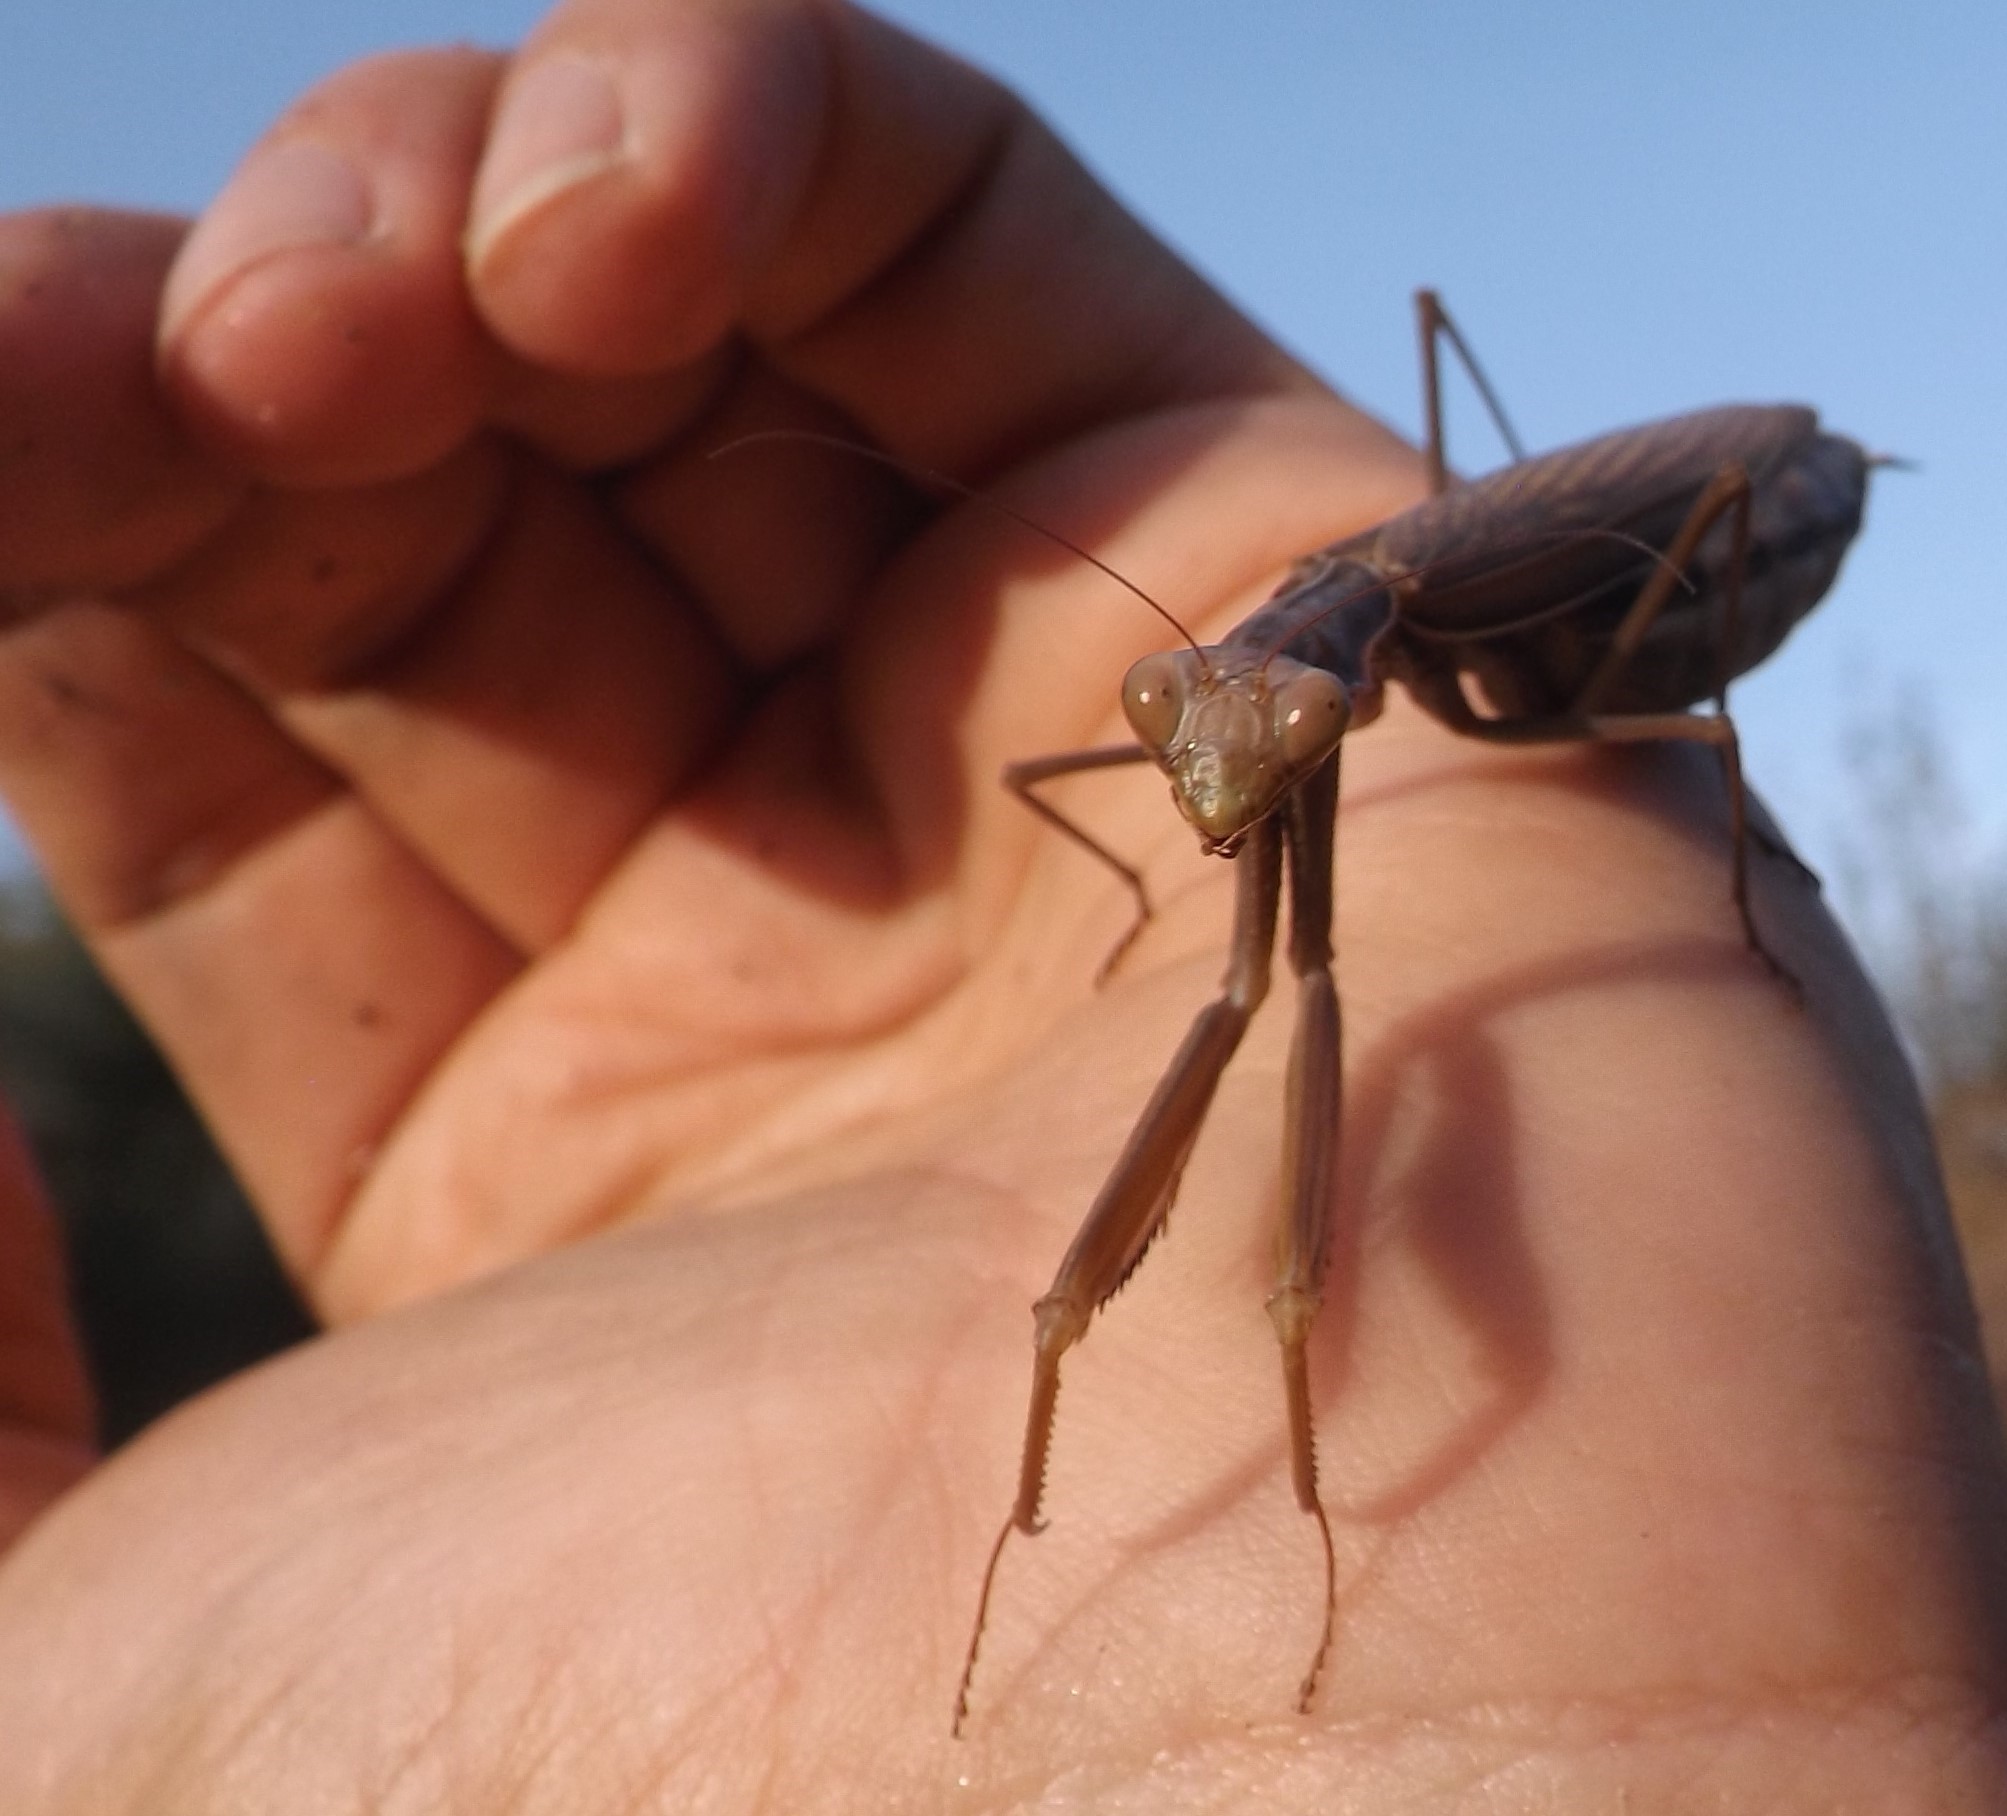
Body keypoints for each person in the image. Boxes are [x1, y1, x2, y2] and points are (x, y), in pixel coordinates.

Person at [0, 1, 2001, 1805]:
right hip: (1464, 612)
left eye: (1249, 734)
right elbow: (1183, 785)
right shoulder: (1258, 686)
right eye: (1191, 731)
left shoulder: (1417, 650)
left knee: (1464, 895)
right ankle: (1067, 1522)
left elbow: (1623, 701)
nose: (1211, 769)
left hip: (1726, 522)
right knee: (1263, 1003)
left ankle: (1311, 1519)